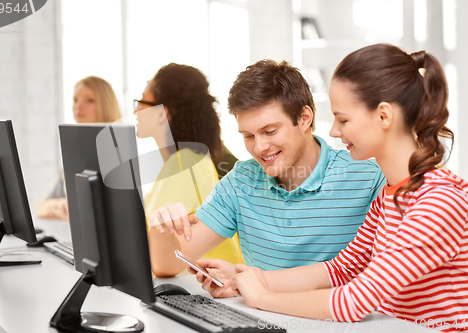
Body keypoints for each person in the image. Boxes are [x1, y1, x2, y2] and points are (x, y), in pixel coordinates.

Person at [199, 44, 468, 331]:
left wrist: (262, 296)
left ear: (384, 116)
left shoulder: (439, 201)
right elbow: (341, 268)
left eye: (344, 119)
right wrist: (243, 278)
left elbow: (355, 301)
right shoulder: (387, 195)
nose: (333, 131)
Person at [148, 59, 385, 277]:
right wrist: (163, 230)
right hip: (263, 320)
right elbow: (167, 266)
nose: (260, 147)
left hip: (340, 321)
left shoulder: (366, 177)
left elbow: (380, 281)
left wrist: (251, 282)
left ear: (304, 118)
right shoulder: (240, 181)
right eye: (248, 135)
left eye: (270, 131)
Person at [135, 63, 243, 265]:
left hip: (207, 283)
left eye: (141, 101)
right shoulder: (184, 160)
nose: (136, 111)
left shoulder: (185, 164)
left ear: (161, 114)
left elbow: (149, 242)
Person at [36, 76, 122, 220]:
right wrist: (59, 205)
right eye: (75, 100)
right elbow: (41, 208)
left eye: (89, 100)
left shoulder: (117, 153)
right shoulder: (75, 153)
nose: (78, 106)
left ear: (106, 106)